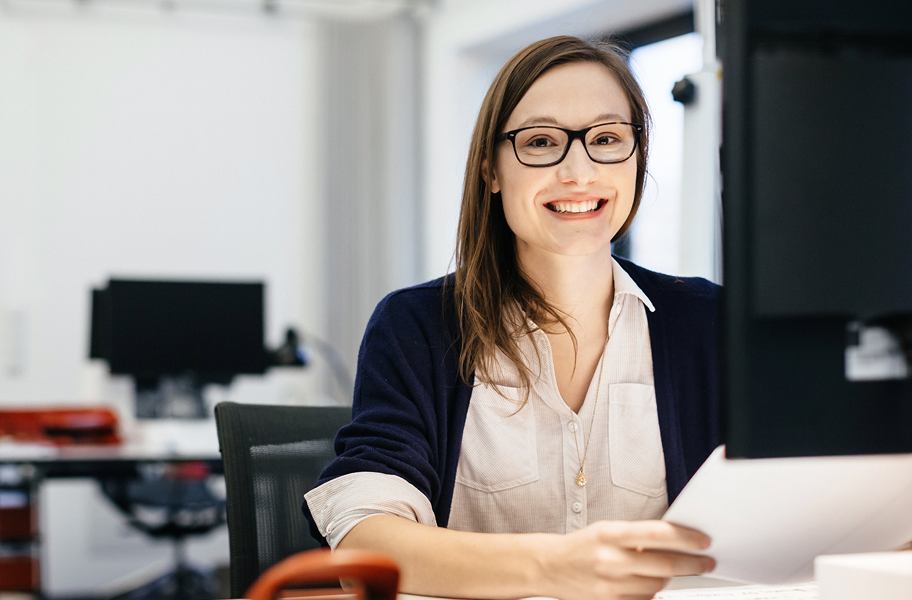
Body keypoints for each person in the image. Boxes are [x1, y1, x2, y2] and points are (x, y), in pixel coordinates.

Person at [303, 35, 721, 600]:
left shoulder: (710, 324)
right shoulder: (418, 327)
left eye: (606, 139)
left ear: (637, 158)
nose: (580, 170)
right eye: (542, 142)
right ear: (491, 171)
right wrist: (555, 566)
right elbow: (363, 545)